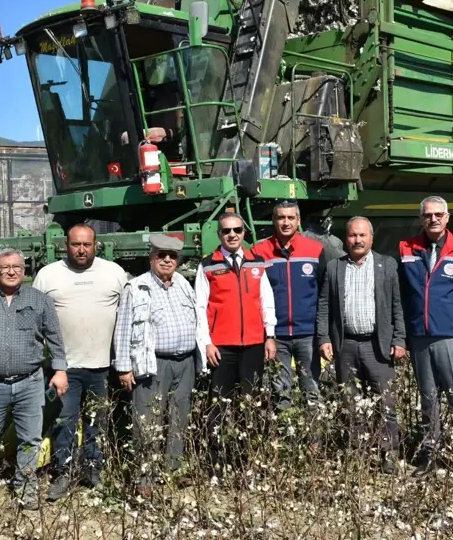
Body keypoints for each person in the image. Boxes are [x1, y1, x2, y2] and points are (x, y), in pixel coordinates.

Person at [33, 223, 127, 499]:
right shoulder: (48, 275)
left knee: (97, 420)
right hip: (65, 367)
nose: (82, 249)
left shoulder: (114, 273)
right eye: (76, 244)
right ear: (66, 245)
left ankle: (92, 468)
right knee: (65, 420)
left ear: (96, 245)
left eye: (87, 244)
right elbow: (35, 318)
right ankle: (62, 473)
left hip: (102, 365)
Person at [0, 248, 68, 510]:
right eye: (5, 267)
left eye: (17, 266)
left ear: (25, 271)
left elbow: (55, 338)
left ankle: (26, 490)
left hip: (30, 382)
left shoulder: (39, 300)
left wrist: (60, 370)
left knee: (30, 439)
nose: (11, 271)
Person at [316, 217, 406, 473]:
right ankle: (359, 456)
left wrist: (399, 339)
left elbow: (397, 305)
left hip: (378, 346)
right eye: (353, 235)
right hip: (346, 346)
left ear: (371, 238)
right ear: (347, 238)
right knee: (351, 405)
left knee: (385, 404)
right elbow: (324, 306)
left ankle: (389, 456)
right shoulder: (335, 267)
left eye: (362, 235)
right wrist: (324, 338)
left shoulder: (387, 265)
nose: (357, 240)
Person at [113, 235, 200, 496]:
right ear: (151, 257)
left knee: (179, 417)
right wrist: (123, 367)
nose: (167, 260)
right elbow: (123, 328)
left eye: (172, 256)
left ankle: (173, 469)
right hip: (153, 364)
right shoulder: (136, 287)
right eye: (161, 255)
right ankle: (146, 476)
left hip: (185, 362)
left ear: (178, 261)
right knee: (147, 419)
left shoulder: (183, 284)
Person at [398, 196, 453, 477]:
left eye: (438, 214)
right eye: (428, 215)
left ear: (447, 217)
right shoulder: (406, 248)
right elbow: (402, 296)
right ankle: (430, 454)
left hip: (450, 335)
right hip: (419, 335)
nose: (433, 219)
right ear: (421, 219)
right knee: (428, 398)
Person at [195, 212, 276, 470]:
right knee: (218, 404)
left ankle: (245, 459)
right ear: (219, 235)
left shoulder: (256, 262)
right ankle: (216, 461)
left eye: (237, 230)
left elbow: (266, 301)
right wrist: (206, 343)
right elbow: (200, 307)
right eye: (226, 230)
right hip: (222, 347)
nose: (232, 234)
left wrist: (270, 335)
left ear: (244, 233)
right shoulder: (208, 265)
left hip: (253, 344)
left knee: (250, 404)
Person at [251, 201, 325, 410]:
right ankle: (286, 439)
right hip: (277, 336)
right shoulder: (259, 252)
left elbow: (324, 293)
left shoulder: (316, 250)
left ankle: (316, 442)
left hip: (307, 334)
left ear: (298, 220)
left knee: (312, 392)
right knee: (281, 395)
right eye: (281, 217)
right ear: (273, 220)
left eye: (291, 218)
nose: (286, 222)